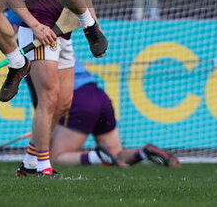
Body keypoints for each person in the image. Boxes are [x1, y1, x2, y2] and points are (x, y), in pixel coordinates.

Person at [5, 0, 93, 177]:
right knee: (49, 98)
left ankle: (30, 161)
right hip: (39, 30)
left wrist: (90, 20)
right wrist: (34, 24)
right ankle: (43, 165)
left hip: (64, 31)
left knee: (65, 103)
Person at [50, 59, 181, 169]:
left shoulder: (37, 54)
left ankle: (97, 157)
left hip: (78, 97)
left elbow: (45, 101)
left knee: (55, 157)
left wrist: (47, 125)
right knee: (116, 154)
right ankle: (142, 153)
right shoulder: (64, 43)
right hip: (99, 95)